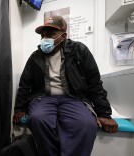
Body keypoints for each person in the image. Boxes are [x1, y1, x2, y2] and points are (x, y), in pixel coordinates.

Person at [13, 16, 118, 156]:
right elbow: (25, 84)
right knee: (38, 119)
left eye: (51, 35)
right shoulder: (35, 57)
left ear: (63, 36)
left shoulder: (79, 51)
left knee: (85, 124)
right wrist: (20, 108)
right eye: (43, 35)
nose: (45, 39)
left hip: (73, 97)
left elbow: (94, 83)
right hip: (43, 98)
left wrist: (104, 113)